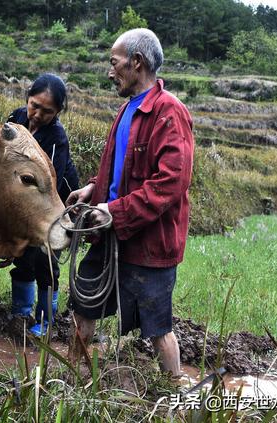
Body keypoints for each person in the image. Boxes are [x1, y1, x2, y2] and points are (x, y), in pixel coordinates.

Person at [66, 28, 194, 377]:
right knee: (84, 307)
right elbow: (119, 167)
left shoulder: (169, 112)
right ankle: (69, 378)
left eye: (114, 63)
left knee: (158, 328)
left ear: (136, 63)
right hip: (110, 235)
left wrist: (115, 211)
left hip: (148, 244)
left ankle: (175, 391)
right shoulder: (127, 110)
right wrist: (93, 189)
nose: (111, 72)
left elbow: (171, 182)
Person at [6, 73, 80, 336]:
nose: (37, 114)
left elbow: (50, 184)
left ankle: (45, 320)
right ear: (27, 98)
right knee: (23, 258)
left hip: (56, 204)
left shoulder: (57, 138)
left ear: (58, 112)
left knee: (44, 260)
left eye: (47, 111)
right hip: (26, 201)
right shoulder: (15, 120)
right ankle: (21, 314)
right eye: (34, 105)